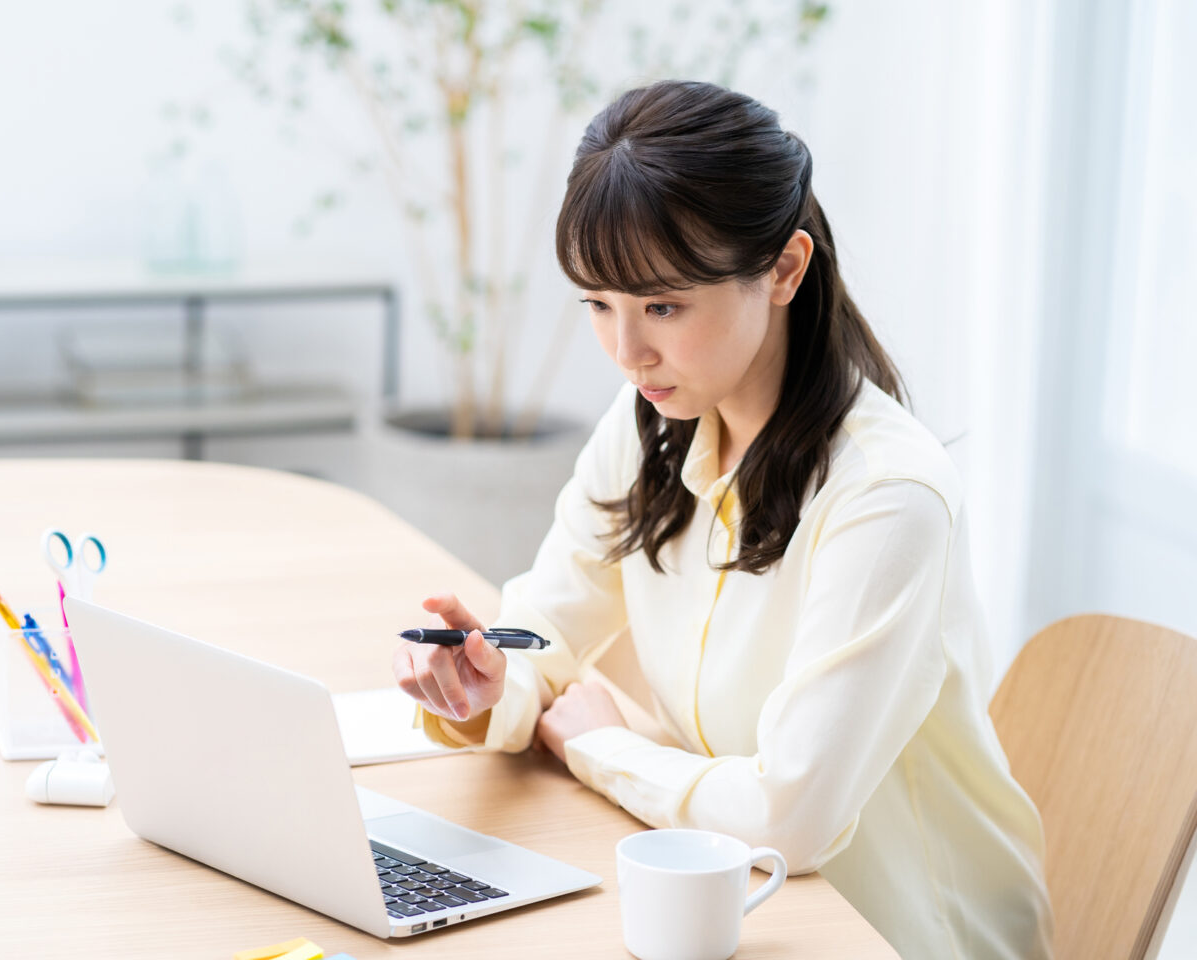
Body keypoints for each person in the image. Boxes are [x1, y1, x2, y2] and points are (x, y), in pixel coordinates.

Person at [391, 80, 1054, 959]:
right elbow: (544, 629)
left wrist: (604, 747)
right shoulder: (654, 425)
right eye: (599, 305)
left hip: (893, 936)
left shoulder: (887, 495)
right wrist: (485, 687)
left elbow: (791, 817)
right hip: (731, 903)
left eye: (662, 307)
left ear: (783, 269)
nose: (627, 353)